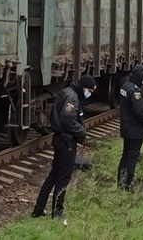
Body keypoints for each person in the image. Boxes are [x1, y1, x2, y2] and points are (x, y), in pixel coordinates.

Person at [31, 74, 96, 220]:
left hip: (59, 139)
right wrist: (82, 132)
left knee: (53, 176)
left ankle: (39, 209)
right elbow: (68, 121)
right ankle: (57, 212)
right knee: (63, 178)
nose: (89, 94)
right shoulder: (72, 98)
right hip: (66, 141)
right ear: (84, 87)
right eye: (89, 91)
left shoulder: (66, 92)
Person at [117, 64, 143, 191]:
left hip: (127, 128)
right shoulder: (135, 91)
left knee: (125, 155)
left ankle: (120, 182)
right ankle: (127, 184)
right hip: (135, 130)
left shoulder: (125, 87)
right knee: (132, 157)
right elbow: (140, 112)